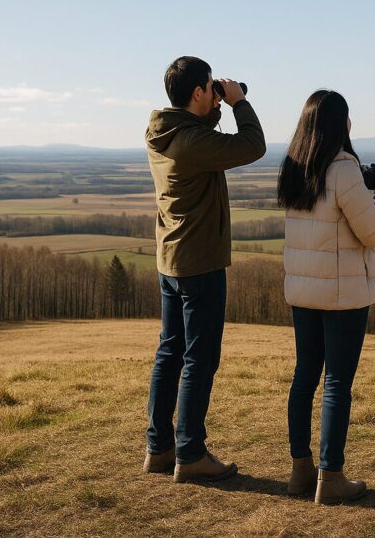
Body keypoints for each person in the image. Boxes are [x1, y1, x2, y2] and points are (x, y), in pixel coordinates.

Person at [143, 55, 266, 483]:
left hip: (171, 261)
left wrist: (213, 106)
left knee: (169, 353)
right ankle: (190, 453)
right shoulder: (193, 144)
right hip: (200, 263)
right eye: (210, 86)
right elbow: (252, 146)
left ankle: (159, 448)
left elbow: (198, 131)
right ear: (197, 92)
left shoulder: (166, 132)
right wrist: (237, 103)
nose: (216, 90)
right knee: (199, 357)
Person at [277, 89, 375, 504]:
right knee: (337, 384)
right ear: (341, 124)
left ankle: (299, 472)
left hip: (303, 292)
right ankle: (331, 478)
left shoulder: (294, 167)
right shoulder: (343, 169)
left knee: (304, 376)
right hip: (344, 296)